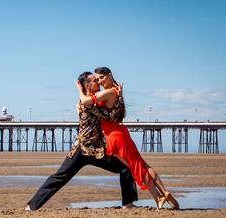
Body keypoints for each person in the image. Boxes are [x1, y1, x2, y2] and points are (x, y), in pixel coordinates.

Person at [25, 72, 138, 211]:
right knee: (61, 176)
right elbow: (108, 115)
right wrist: (82, 90)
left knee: (125, 167)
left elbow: (112, 110)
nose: (98, 82)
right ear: (87, 85)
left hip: (97, 150)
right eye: (94, 80)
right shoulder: (87, 104)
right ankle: (32, 206)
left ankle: (128, 203)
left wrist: (118, 95)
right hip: (82, 149)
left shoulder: (92, 100)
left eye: (97, 79)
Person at [75, 67, 179, 209]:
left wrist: (80, 89)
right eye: (97, 79)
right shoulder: (116, 90)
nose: (99, 81)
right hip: (120, 132)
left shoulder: (108, 92)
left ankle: (159, 197)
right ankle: (162, 193)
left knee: (137, 168)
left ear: (109, 75)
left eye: (101, 77)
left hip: (115, 136)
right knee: (142, 165)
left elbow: (86, 101)